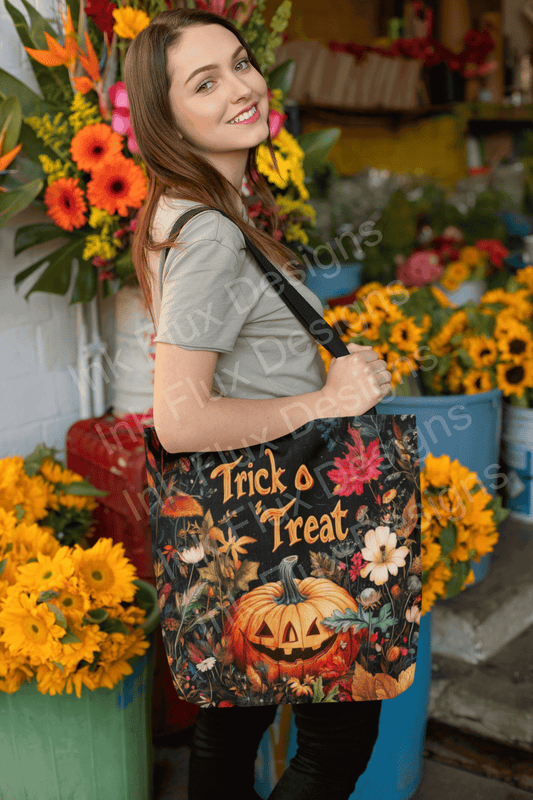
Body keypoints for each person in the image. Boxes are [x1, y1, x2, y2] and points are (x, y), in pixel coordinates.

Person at [125, 9, 392, 800]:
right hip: (276, 518)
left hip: (241, 519)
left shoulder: (190, 214)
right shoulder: (208, 233)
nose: (243, 87)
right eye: (205, 82)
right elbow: (179, 417)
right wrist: (326, 399)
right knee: (336, 739)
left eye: (240, 64)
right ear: (165, 117)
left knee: (231, 729)